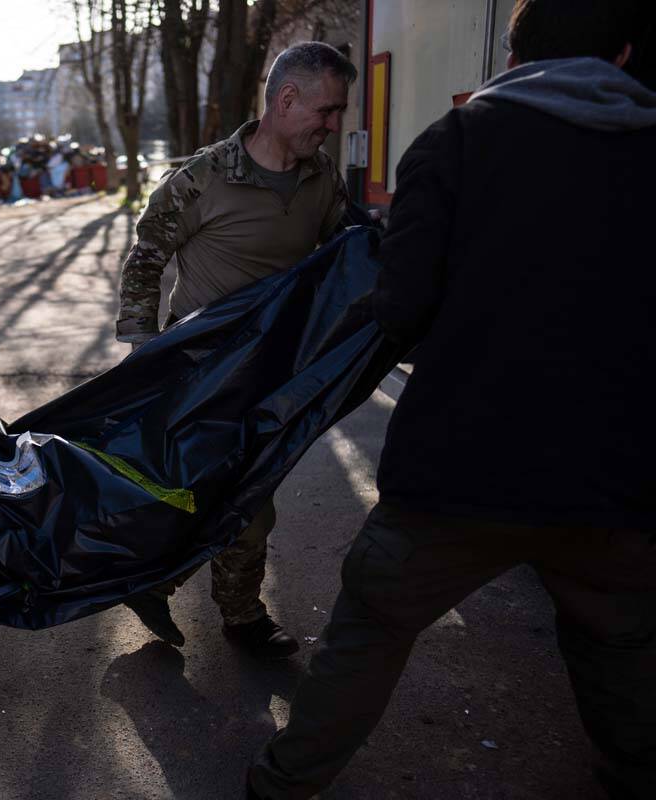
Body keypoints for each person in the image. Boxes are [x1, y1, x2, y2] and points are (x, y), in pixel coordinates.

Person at [247, 1, 656, 797]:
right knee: (623, 647)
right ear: (627, 54)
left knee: (368, 631)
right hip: (617, 478)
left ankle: (282, 785)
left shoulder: (456, 144)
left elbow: (403, 310)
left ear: (511, 53)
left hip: (459, 468)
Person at [114, 42, 356, 658]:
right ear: (285, 99)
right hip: (204, 371)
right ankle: (241, 617)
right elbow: (145, 259)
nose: (333, 126)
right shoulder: (202, 179)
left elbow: (339, 254)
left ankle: (158, 582)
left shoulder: (321, 175)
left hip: (278, 369)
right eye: (325, 111)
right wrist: (145, 349)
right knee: (244, 500)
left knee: (239, 490)